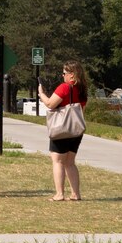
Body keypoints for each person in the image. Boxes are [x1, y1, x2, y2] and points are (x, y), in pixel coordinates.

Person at [38, 60, 87, 201]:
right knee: (70, 162)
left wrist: (41, 94)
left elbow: (50, 104)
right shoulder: (82, 89)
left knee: (58, 161)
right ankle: (75, 194)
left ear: (72, 75)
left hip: (61, 129)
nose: (62, 75)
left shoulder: (65, 87)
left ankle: (59, 194)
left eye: (64, 73)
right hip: (76, 130)